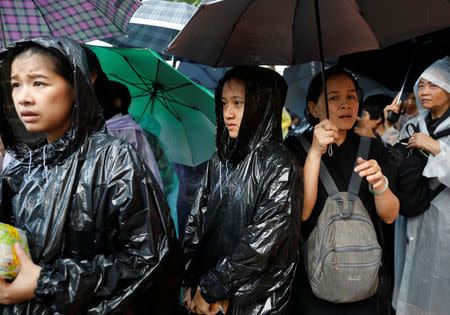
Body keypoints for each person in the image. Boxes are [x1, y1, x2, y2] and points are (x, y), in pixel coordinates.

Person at [0, 36, 181, 314]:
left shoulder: (114, 160)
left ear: (76, 87)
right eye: (15, 84)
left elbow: (149, 260)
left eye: (38, 82)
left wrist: (48, 283)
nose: (23, 96)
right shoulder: (20, 168)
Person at [182, 66, 302, 314]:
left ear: (261, 105)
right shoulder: (220, 160)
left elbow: (260, 243)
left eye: (238, 103)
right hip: (206, 298)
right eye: (224, 103)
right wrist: (190, 280)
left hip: (251, 304)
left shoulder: (280, 164)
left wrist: (212, 288)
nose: (228, 113)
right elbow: (197, 223)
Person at [285, 66, 399, 315]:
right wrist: (315, 152)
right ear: (313, 108)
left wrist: (380, 185)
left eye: (351, 96)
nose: (346, 104)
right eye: (334, 98)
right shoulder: (296, 146)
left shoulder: (372, 147)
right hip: (315, 280)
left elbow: (390, 215)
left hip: (366, 279)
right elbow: (302, 213)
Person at [393, 56, 450, 315]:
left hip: (444, 216)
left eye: (434, 85)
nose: (424, 91)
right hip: (413, 210)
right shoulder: (414, 124)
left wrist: (436, 147)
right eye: (422, 85)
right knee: (411, 274)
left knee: (439, 283)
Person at [104, 80, 164, 190]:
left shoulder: (132, 132)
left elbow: (149, 167)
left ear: (117, 102)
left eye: (102, 97)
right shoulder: (101, 126)